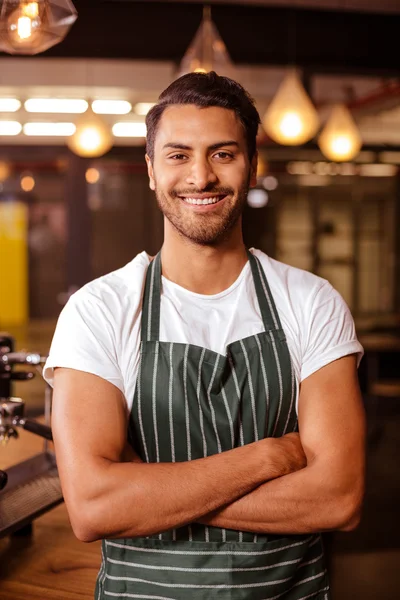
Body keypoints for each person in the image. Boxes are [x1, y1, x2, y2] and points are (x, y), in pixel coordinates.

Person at [45, 72, 365, 600]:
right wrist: (264, 460)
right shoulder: (99, 311)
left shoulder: (311, 302)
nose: (200, 177)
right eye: (177, 155)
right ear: (150, 170)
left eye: (222, 154)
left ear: (252, 164)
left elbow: (338, 499)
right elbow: (93, 508)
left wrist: (147, 489)